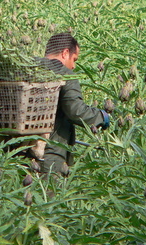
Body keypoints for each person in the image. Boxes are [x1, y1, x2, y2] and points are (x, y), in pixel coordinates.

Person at [37, 33, 110, 174]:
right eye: (74, 59)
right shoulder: (64, 74)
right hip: (49, 153)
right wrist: (103, 117)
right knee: (48, 194)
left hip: (17, 150)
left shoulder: (28, 69)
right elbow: (75, 111)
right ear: (65, 53)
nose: (74, 66)